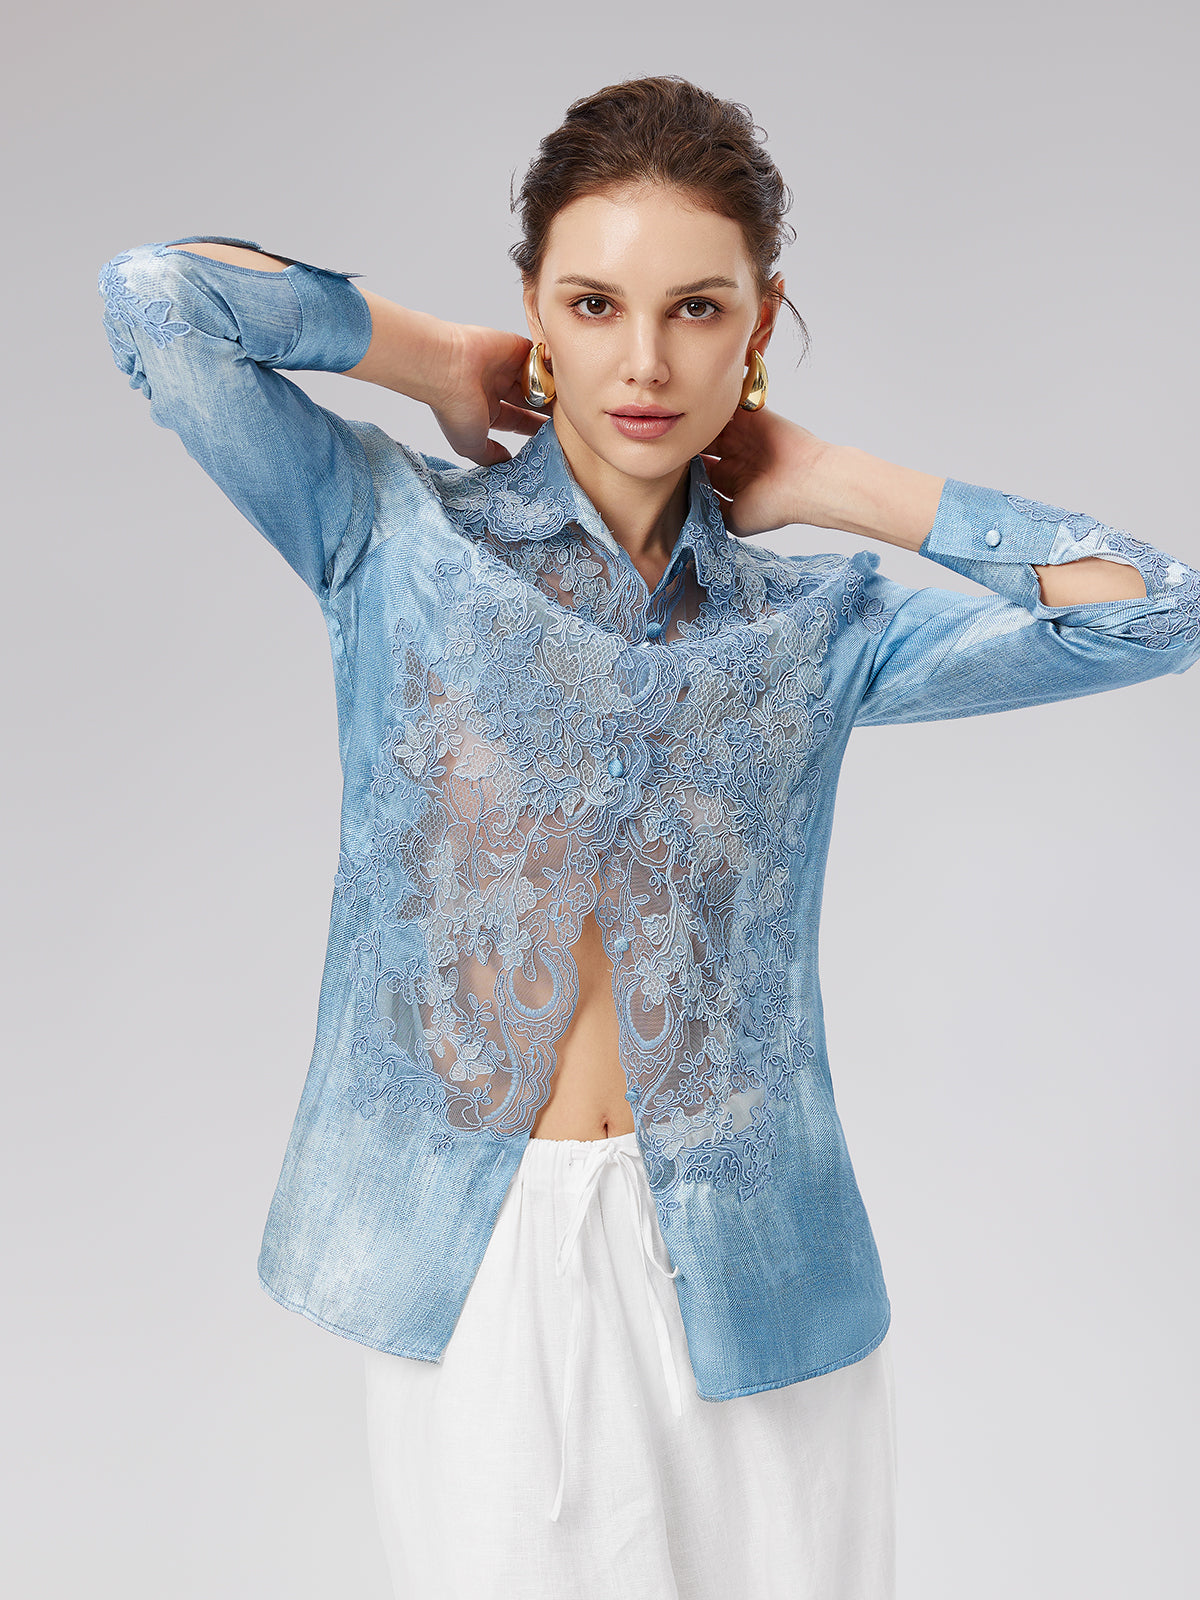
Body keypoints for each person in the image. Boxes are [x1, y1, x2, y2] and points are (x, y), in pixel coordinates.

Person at [97, 73, 1199, 1600]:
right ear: (537, 312)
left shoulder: (818, 626)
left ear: (760, 321)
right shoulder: (393, 540)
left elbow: (1153, 614)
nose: (643, 361)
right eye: (594, 303)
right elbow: (156, 301)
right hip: (479, 1259)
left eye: (697, 309)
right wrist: (435, 360)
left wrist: (831, 483)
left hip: (759, 1278)